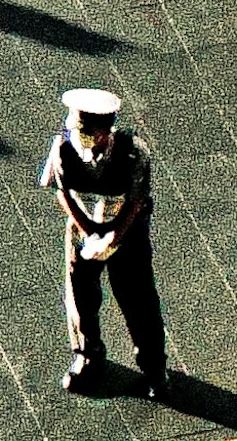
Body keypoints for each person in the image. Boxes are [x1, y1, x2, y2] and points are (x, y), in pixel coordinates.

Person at [41, 80, 165, 395]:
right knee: (80, 296)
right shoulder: (64, 146)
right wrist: (88, 231)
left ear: (104, 132)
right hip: (84, 228)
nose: (78, 137)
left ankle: (154, 366)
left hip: (127, 230)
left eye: (86, 132)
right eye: (75, 130)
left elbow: (136, 202)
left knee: (137, 298)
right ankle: (87, 354)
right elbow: (63, 192)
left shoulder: (133, 151)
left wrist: (112, 239)